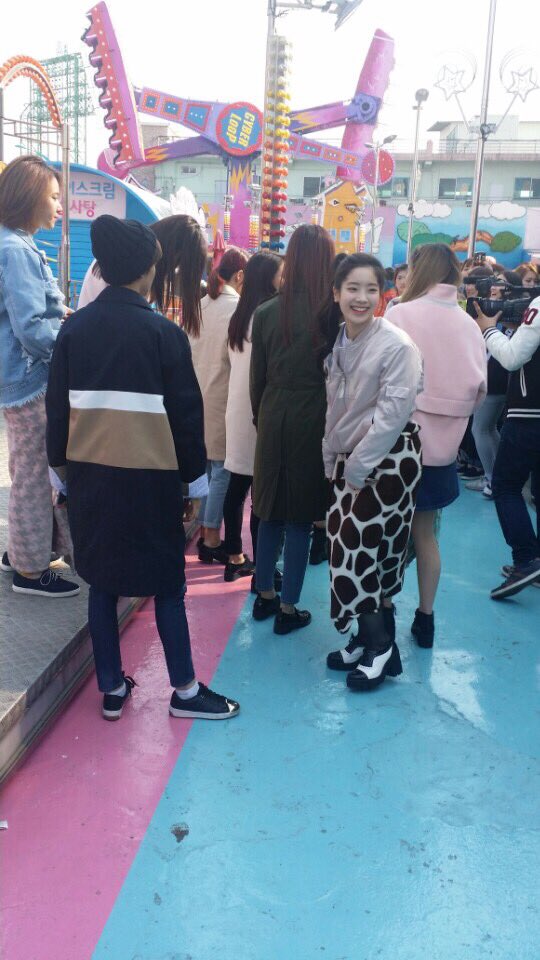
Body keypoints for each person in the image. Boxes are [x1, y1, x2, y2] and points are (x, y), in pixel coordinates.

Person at [45, 215, 239, 721]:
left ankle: (112, 688)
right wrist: (193, 482)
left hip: (90, 478)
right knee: (168, 583)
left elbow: (57, 410)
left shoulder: (73, 329)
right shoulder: (163, 334)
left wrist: (60, 474)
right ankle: (185, 691)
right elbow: (186, 417)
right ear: (149, 271)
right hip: (151, 483)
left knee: (101, 583)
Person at [322, 254, 423, 691]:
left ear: (382, 295)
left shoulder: (397, 345)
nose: (361, 298)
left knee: (357, 550)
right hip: (353, 458)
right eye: (352, 288)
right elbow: (336, 407)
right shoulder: (340, 339)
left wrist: (357, 466)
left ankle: (380, 645)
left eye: (370, 289)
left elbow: (392, 416)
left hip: (389, 460)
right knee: (355, 550)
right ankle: (369, 638)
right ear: (336, 293)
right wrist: (332, 455)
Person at [390, 244, 487, 648]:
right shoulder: (468, 324)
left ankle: (381, 617)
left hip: (397, 445)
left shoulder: (399, 313)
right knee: (426, 536)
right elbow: (479, 388)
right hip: (443, 449)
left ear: (418, 269)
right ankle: (426, 618)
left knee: (387, 536)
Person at [0, 155, 79, 597]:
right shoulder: (15, 250)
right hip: (31, 382)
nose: (58, 206)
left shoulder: (14, 243)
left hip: (19, 380)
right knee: (34, 477)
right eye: (52, 197)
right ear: (29, 198)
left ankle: (23, 552)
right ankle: (29, 572)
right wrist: (66, 349)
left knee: (27, 470)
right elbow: (31, 326)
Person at [250, 224, 334, 634]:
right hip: (315, 415)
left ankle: (264, 593)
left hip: (272, 412)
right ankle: (289, 607)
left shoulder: (267, 312)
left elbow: (256, 379)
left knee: (268, 510)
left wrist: (261, 417)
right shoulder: (332, 314)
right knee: (300, 516)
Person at [474, 294, 540, 599]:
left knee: (505, 486)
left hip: (529, 414)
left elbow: (513, 357)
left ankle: (525, 560)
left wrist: (489, 329)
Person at [223, 251, 283, 584]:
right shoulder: (269, 315)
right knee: (262, 492)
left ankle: (234, 556)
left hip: (237, 407)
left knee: (237, 485)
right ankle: (263, 563)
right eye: (280, 273)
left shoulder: (240, 315)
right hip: (261, 408)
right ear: (268, 278)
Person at [189, 247, 248, 565]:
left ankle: (206, 530)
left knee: (208, 470)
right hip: (223, 398)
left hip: (196, 398)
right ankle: (210, 536)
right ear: (240, 276)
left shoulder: (200, 305)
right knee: (223, 470)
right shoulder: (238, 309)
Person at [461, 266, 509, 499]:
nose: (495, 288)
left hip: (494, 380)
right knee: (488, 429)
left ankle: (492, 479)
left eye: (501, 284)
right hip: (496, 379)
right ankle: (498, 478)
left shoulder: (500, 315)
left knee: (480, 429)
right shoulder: (494, 312)